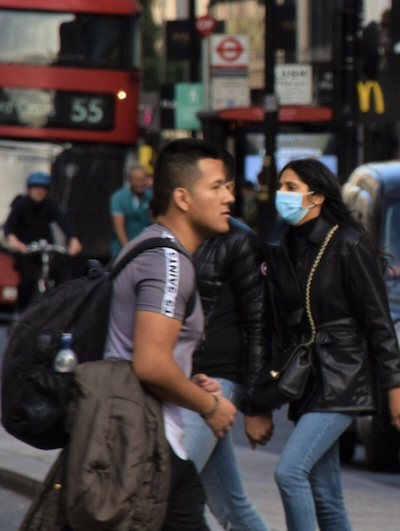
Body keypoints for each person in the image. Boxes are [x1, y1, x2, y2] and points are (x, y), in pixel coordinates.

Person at [264, 158, 400, 531]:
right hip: (309, 379)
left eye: (291, 188)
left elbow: (378, 319)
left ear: (316, 197)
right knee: (326, 495)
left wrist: (394, 385)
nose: (281, 195)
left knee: (290, 472)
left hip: (344, 375)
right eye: (280, 186)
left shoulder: (347, 243)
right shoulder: (289, 246)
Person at [104, 138, 238, 531]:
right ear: (182, 197)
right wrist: (210, 407)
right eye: (216, 187)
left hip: (136, 438)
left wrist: (184, 378)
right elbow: (149, 364)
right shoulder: (168, 262)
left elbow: (144, 350)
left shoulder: (151, 246)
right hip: (146, 443)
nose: (228, 197)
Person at [180, 198, 273, 530]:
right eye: (215, 186)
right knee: (230, 503)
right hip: (183, 380)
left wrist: (255, 404)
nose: (226, 195)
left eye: (224, 185)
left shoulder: (241, 241)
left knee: (170, 491)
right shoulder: (171, 237)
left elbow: (258, 324)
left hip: (218, 380)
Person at [4, 171, 82, 312]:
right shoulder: (21, 204)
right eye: (36, 188)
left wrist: (73, 239)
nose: (39, 192)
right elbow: (9, 226)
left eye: (43, 189)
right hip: (26, 250)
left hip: (45, 247)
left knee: (58, 273)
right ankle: (20, 312)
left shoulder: (50, 204)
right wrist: (14, 241)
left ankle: (56, 312)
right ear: (29, 189)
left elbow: (64, 222)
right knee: (28, 279)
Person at [110, 163, 154, 257]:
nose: (140, 183)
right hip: (122, 250)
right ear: (129, 180)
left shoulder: (151, 196)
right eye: (136, 180)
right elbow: (119, 226)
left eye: (143, 179)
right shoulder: (118, 197)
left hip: (145, 250)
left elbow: (154, 221)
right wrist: (127, 249)